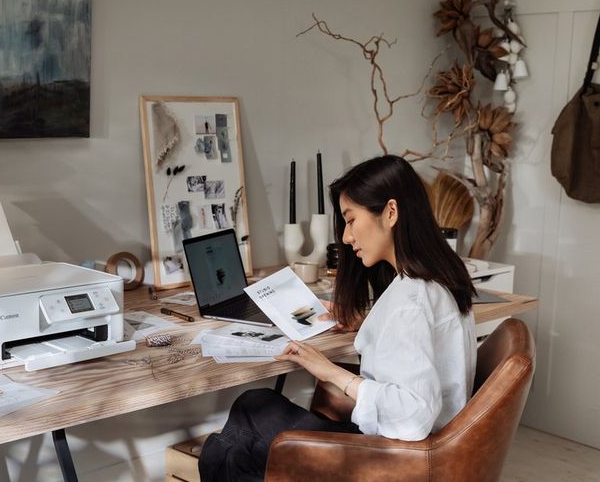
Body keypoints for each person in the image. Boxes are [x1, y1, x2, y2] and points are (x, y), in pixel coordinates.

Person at [198, 155, 477, 481]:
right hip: (421, 452)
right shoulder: (436, 277)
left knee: (230, 445)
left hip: (395, 461)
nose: (345, 237)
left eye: (351, 220)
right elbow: (415, 343)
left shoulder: (410, 302)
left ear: (390, 212)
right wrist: (368, 320)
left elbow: (413, 417)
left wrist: (331, 373)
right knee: (253, 405)